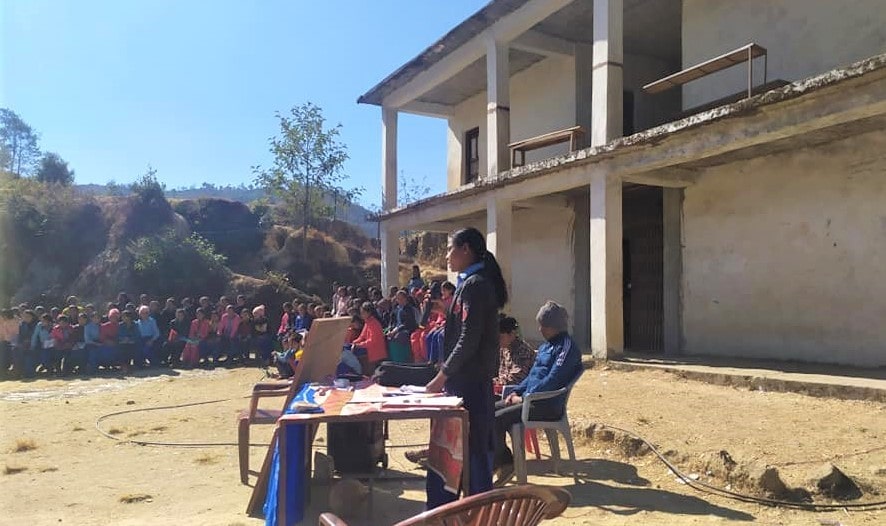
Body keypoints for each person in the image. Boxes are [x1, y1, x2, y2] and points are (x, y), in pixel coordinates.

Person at [424, 227, 509, 508]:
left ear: (466, 250)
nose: (447, 255)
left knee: (471, 451)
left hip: (469, 382)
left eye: (450, 249)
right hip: (468, 380)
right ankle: (456, 509)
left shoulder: (475, 285)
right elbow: (467, 327)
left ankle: (472, 511)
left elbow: (469, 339)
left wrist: (441, 376)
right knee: (465, 449)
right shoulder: (470, 284)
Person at [492, 301, 582, 487]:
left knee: (496, 420)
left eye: (543, 326)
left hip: (545, 405)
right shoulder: (545, 346)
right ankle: (499, 461)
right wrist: (516, 391)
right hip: (529, 400)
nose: (540, 329)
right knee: (487, 413)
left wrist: (524, 397)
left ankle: (506, 464)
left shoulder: (566, 347)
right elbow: (532, 376)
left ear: (553, 326)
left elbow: (553, 380)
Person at [494, 315, 535, 392]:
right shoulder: (504, 349)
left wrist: (497, 383)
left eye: (500, 337)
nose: (497, 340)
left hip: (519, 392)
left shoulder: (523, 351)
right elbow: (501, 374)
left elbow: (517, 379)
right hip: (503, 389)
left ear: (512, 334)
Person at [350, 302, 388, 375]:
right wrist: (353, 343)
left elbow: (372, 341)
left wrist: (359, 345)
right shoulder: (367, 322)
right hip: (371, 355)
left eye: (363, 312)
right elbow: (362, 336)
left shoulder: (374, 323)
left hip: (377, 355)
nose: (361, 314)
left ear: (369, 312)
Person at [387, 290, 418, 363]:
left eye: (401, 298)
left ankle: (404, 360)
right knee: (388, 337)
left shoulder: (409, 309)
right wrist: (391, 330)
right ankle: (394, 360)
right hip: (398, 329)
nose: (399, 301)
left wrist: (395, 331)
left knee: (399, 336)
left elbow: (407, 323)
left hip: (408, 330)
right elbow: (394, 322)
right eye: (398, 299)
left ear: (405, 298)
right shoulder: (397, 309)